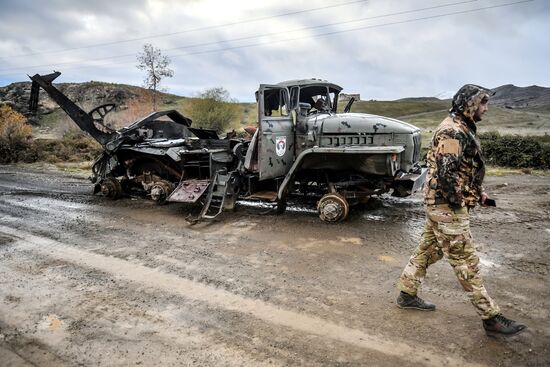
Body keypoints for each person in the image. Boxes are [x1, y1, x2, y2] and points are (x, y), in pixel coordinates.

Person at [396, 84, 528, 337]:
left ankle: (407, 294)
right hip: (446, 207)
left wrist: (477, 193)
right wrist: (460, 203)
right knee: (466, 261)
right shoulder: (452, 131)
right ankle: (491, 318)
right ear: (468, 104)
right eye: (482, 103)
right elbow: (446, 176)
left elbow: (462, 170)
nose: (485, 109)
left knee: (427, 252)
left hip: (442, 205)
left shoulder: (462, 128)